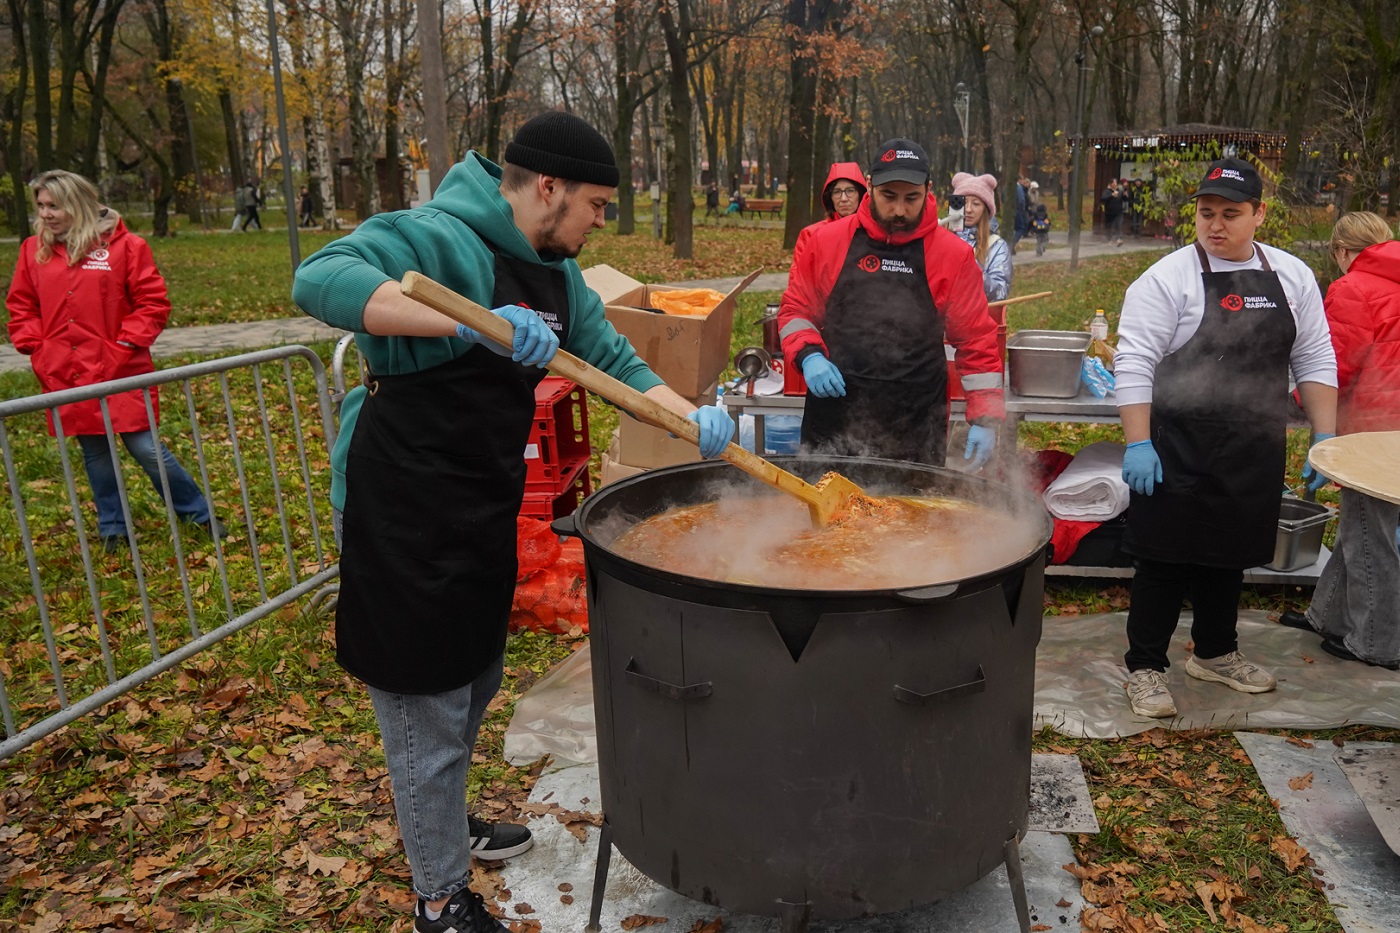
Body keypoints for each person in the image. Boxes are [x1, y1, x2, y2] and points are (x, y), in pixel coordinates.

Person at [292, 111, 735, 933]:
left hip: (477, 502)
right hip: (402, 506)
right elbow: (321, 277)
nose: (604, 220)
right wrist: (463, 319)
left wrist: (690, 416)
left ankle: (444, 828)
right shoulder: (435, 235)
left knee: (472, 682)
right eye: (597, 204)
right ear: (548, 186)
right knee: (426, 701)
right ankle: (439, 897)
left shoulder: (556, 276)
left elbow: (619, 364)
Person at [1115, 158, 1338, 718]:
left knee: (1228, 555)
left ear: (1260, 214)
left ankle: (1215, 653)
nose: (1215, 225)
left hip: (1252, 444)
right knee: (1162, 560)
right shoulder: (1167, 279)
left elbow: (1314, 356)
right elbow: (1134, 363)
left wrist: (1325, 436)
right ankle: (1144, 668)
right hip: (1176, 443)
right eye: (1205, 212)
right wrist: (1137, 442)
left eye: (1231, 214)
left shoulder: (1293, 276)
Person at [6, 169, 222, 554]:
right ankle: (113, 529)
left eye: (54, 205)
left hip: (120, 368)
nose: (46, 214)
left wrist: (123, 345)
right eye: (40, 206)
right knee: (96, 454)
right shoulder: (33, 250)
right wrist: (36, 346)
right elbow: (22, 305)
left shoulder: (126, 247)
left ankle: (198, 515)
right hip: (66, 371)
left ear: (78, 202)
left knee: (146, 449)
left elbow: (152, 303)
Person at [778, 138, 1004, 468]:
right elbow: (796, 310)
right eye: (889, 197)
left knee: (910, 515)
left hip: (915, 417)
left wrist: (984, 416)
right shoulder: (825, 242)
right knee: (825, 514)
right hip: (835, 410)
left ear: (929, 190)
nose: (899, 210)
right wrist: (809, 356)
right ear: (869, 186)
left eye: (911, 198)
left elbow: (976, 340)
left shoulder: (953, 256)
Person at [1280, 212, 1400, 670]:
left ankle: (1377, 642)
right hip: (1393, 426)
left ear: (1343, 251)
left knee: (1370, 534)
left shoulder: (1354, 287)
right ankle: (1327, 615)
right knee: (1363, 526)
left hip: (1371, 430)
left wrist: (1296, 402)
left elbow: (1336, 364)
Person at [950, 172, 1012, 302]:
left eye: (976, 204)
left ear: (985, 209)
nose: (968, 209)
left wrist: (971, 266)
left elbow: (1000, 292)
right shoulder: (942, 238)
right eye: (963, 202)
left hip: (977, 319)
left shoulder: (997, 246)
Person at [791, 162, 867, 264]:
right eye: (837, 192)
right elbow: (798, 278)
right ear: (830, 197)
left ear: (861, 194)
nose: (843, 199)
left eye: (850, 191)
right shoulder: (811, 235)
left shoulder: (875, 233)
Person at [1101, 178, 1124, 246]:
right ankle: (1109, 240)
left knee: (1118, 225)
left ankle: (1119, 239)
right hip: (1109, 212)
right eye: (1114, 183)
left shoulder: (1119, 191)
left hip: (1118, 212)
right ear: (1111, 184)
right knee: (1109, 226)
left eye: (1116, 183)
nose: (1116, 184)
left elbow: (1123, 199)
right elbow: (1103, 199)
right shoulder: (1107, 191)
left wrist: (1125, 196)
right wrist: (1112, 195)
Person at [1012, 175, 1030, 253]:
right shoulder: (1018, 188)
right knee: (1020, 228)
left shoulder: (1008, 187)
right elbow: (1021, 200)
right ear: (1020, 179)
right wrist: (1022, 210)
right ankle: (1012, 244)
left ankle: (1010, 247)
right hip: (1018, 210)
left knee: (1012, 229)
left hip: (1010, 211)